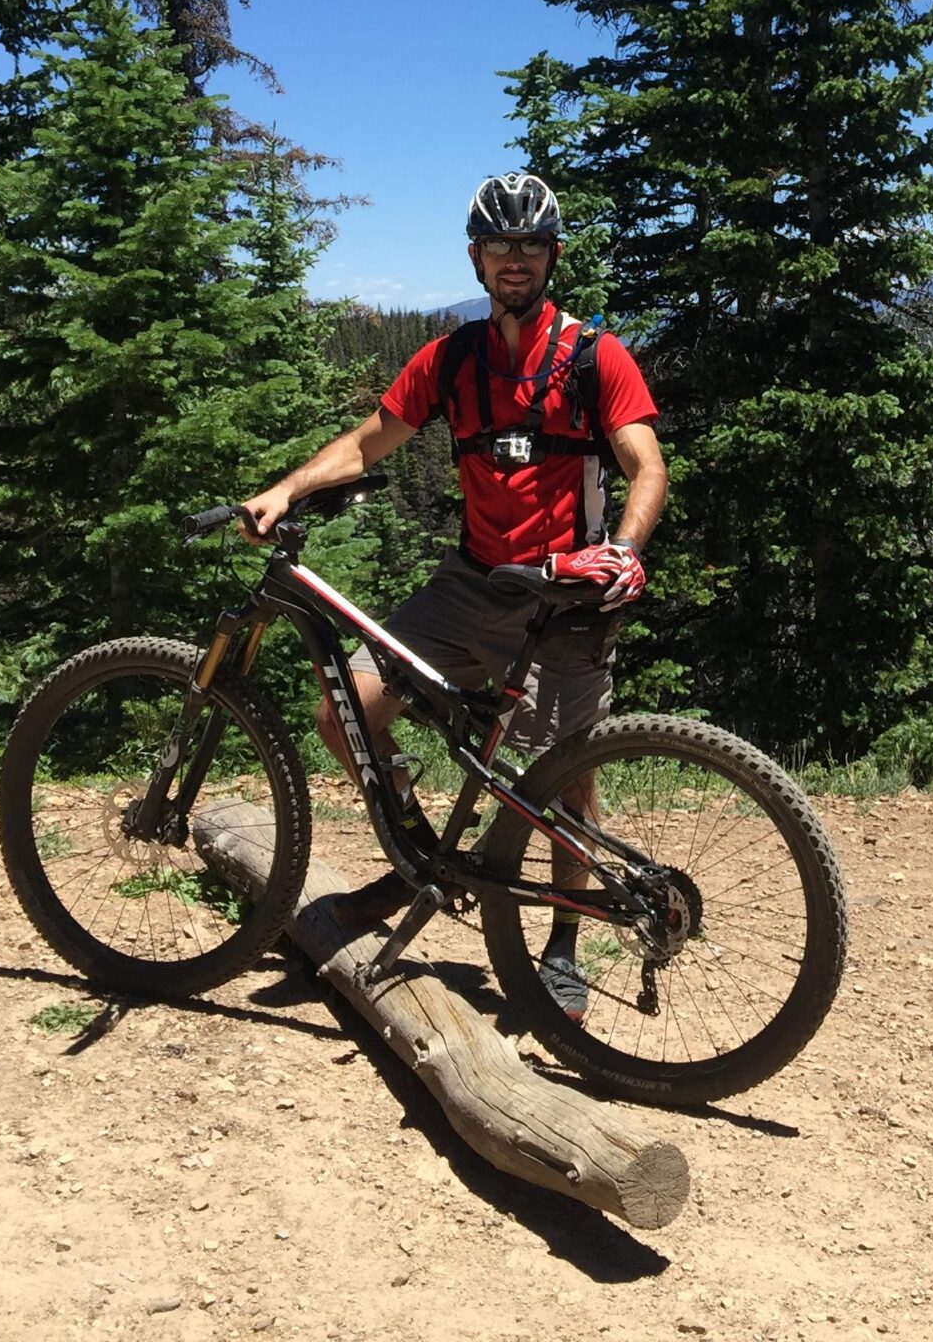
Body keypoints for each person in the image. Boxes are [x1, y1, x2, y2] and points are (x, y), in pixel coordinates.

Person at [238, 171, 665, 1020]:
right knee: (344, 711)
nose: (516, 259)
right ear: (476, 256)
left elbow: (645, 464)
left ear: (553, 256)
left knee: (561, 783)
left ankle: (564, 945)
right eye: (501, 245)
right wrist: (286, 490)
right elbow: (371, 441)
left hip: (561, 597)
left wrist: (621, 550)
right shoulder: (453, 359)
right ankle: (420, 860)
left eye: (532, 245)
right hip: (469, 584)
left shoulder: (592, 356)